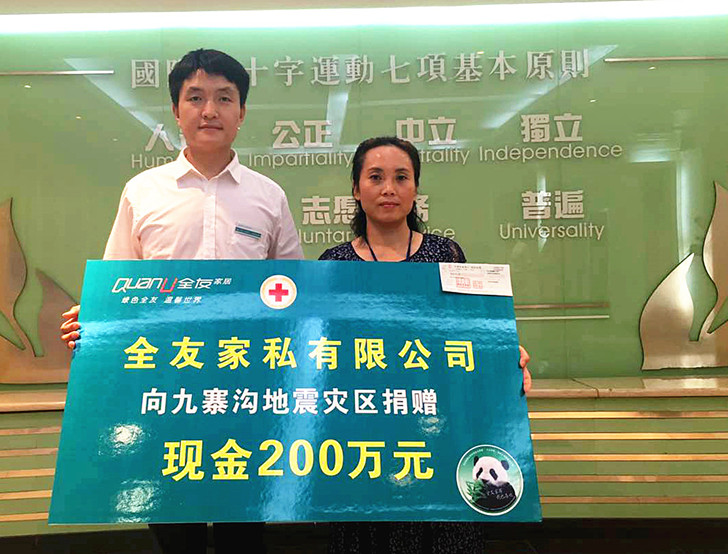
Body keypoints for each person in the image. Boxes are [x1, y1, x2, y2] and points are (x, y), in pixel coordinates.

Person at [60, 48, 303, 554]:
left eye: (224, 98)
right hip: (164, 386)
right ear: (176, 110)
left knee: (244, 528)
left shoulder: (269, 196)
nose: (209, 110)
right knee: (174, 526)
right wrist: (93, 322)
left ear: (242, 112)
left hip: (246, 387)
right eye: (195, 98)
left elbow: (293, 293)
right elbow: (119, 284)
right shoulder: (142, 191)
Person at [319, 136, 531, 554]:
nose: (389, 189)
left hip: (439, 426)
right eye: (375, 177)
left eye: (402, 177)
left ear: (416, 188)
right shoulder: (333, 264)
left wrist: (505, 354)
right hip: (365, 431)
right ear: (356, 189)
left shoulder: (444, 254)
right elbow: (324, 351)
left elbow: (471, 332)